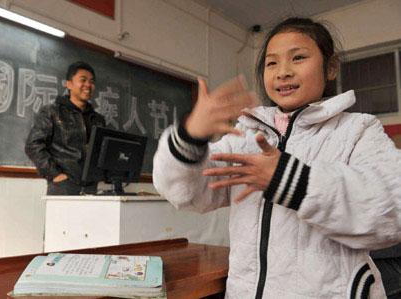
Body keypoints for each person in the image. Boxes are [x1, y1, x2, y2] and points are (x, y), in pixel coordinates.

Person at [153, 17, 401, 298]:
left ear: (330, 67)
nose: (283, 72)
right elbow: (185, 193)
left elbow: (391, 209)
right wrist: (189, 137)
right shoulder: (248, 134)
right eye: (272, 63)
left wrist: (290, 179)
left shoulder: (357, 129)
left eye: (298, 58)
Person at [25, 61, 105, 195]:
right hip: (63, 186)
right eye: (83, 80)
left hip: (91, 187)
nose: (88, 85)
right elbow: (33, 145)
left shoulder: (98, 119)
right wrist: (55, 174)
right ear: (69, 84)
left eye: (91, 81)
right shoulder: (51, 112)